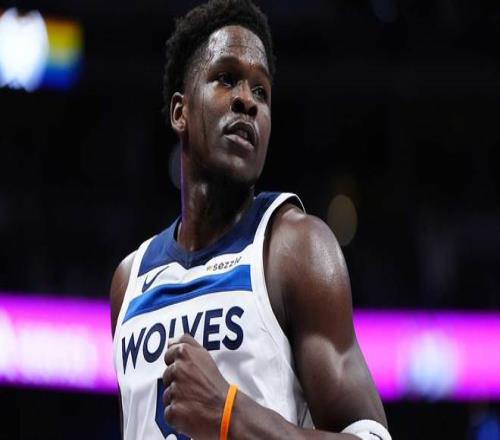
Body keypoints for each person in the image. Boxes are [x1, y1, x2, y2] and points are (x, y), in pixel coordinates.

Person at [110, 0, 390, 439]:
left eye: (261, 91)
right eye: (226, 79)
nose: (247, 100)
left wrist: (229, 413)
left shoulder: (295, 248)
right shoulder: (129, 281)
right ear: (180, 112)